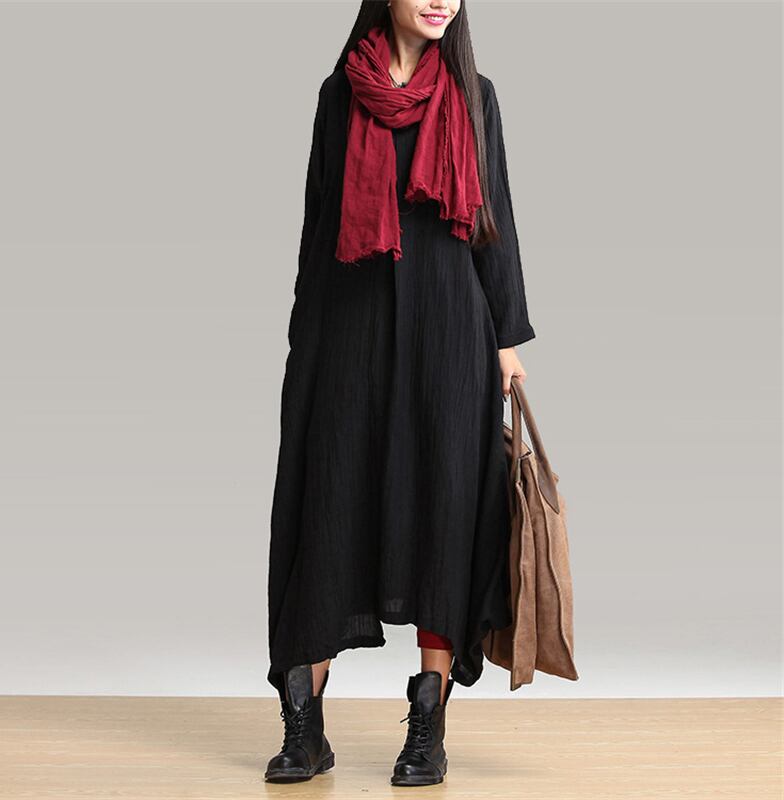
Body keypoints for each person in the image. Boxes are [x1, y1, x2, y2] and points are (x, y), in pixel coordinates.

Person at [265, 0, 535, 786]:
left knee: (443, 509)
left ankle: (427, 730)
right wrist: (304, 338)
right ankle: (304, 728)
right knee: (331, 504)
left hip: (450, 329)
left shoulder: (474, 95)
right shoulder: (339, 94)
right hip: (348, 328)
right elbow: (320, 220)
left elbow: (493, 216)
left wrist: (506, 339)